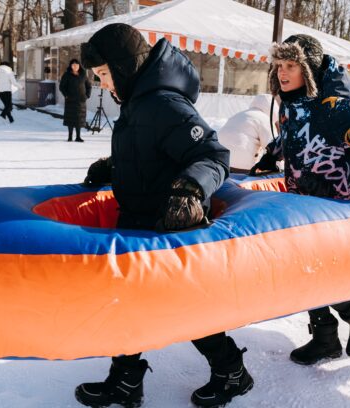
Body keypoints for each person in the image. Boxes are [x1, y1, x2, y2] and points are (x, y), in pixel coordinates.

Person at [75, 23, 252, 408]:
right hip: (139, 221)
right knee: (126, 304)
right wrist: (114, 167)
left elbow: (213, 156)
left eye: (104, 75)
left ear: (122, 68)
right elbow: (150, 152)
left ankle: (232, 372)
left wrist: (190, 189)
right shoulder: (138, 102)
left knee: (183, 309)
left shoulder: (164, 104)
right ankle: (125, 381)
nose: (103, 84)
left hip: (173, 223)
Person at [250, 34, 350, 366]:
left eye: (291, 65)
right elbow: (295, 137)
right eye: (279, 66)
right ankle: (324, 337)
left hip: (338, 208)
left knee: (321, 271)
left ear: (310, 69)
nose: (282, 73)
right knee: (302, 269)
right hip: (302, 203)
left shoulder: (335, 109)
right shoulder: (293, 104)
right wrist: (271, 155)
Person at [216, 94, 278, 172]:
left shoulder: (240, 115)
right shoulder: (265, 119)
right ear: (273, 109)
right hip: (242, 166)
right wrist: (280, 170)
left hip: (220, 161)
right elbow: (274, 148)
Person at [59, 59, 92, 142]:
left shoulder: (83, 75)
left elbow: (89, 86)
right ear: (70, 66)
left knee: (79, 119)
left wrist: (87, 96)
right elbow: (62, 87)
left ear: (79, 66)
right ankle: (70, 137)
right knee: (70, 119)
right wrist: (66, 95)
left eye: (76, 65)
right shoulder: (67, 75)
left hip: (81, 101)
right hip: (70, 100)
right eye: (73, 65)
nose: (75, 66)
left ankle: (78, 137)